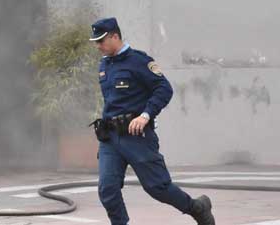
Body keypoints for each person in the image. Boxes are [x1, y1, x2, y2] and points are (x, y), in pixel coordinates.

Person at [89, 17, 215, 225]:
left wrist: (146, 114)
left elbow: (164, 89)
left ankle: (198, 208)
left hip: (137, 137)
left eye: (101, 41)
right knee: (107, 188)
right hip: (110, 138)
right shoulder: (104, 65)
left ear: (115, 36)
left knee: (158, 188)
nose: (98, 46)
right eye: (96, 41)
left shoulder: (138, 61)